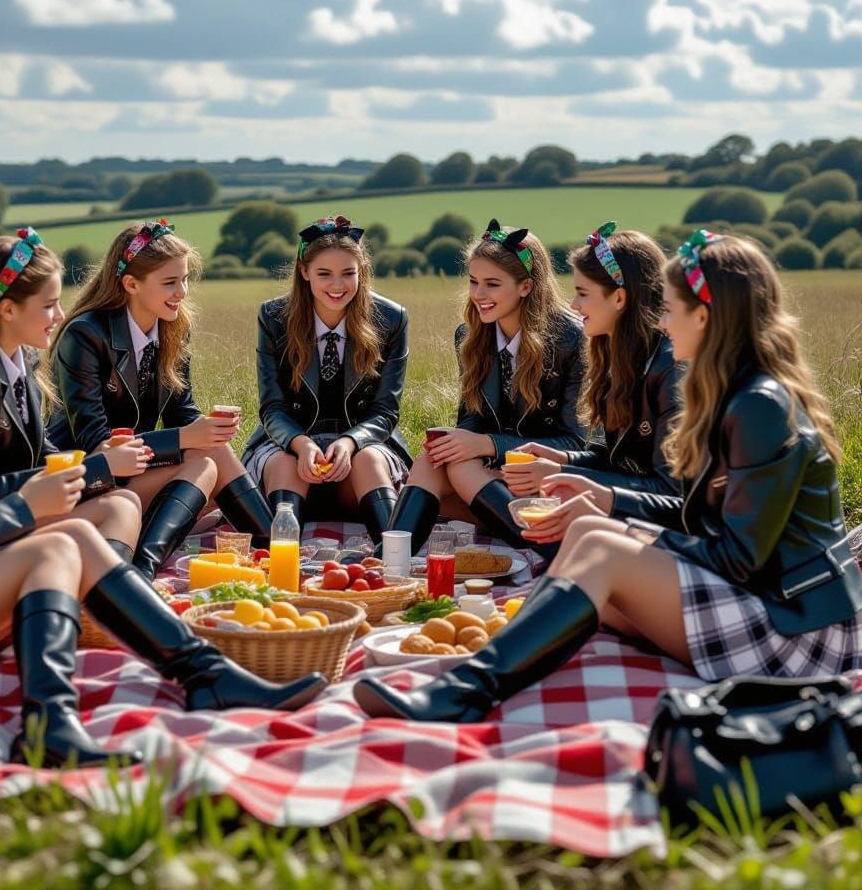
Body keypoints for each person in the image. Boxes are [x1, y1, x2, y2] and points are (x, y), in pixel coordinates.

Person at [0, 236, 326, 767]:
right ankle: (68, 720)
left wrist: (54, 490)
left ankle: (195, 677)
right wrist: (31, 504)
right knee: (60, 543)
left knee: (73, 535)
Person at [353, 231, 862, 721]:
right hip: (768, 602)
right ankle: (480, 661)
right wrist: (604, 501)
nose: (663, 323)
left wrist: (624, 526)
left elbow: (741, 557)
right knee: (592, 539)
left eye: (670, 310)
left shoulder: (759, 406)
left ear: (704, 317)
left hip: (797, 630)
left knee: (603, 549)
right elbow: (694, 510)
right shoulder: (736, 392)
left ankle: (464, 692)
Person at [48, 219, 274, 579]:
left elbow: (181, 410)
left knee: (209, 456)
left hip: (138, 468)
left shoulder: (172, 327)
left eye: (184, 279)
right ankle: (147, 570)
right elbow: (95, 442)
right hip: (91, 478)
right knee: (204, 461)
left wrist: (207, 429)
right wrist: (187, 438)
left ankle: (276, 549)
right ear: (131, 284)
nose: (182, 291)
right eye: (170, 282)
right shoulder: (85, 335)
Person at [386, 219, 586, 554]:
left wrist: (488, 445)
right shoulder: (470, 337)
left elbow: (575, 441)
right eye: (474, 281)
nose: (479, 295)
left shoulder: (571, 339)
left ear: (525, 286)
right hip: (493, 480)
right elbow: (472, 418)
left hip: (548, 479)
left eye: (492, 284)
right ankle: (387, 562)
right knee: (432, 460)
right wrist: (456, 441)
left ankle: (547, 550)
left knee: (461, 466)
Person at [0, 229, 152, 562]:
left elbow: (43, 452)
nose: (61, 316)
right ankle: (109, 599)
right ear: (7, 310)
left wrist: (94, 461)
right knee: (118, 508)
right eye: (50, 305)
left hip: (26, 506)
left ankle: (108, 597)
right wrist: (95, 467)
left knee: (125, 501)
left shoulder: (26, 361)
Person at [503, 222, 684, 551]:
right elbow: (614, 459)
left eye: (583, 293)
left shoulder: (671, 370)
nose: (573, 305)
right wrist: (561, 460)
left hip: (662, 535)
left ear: (619, 298)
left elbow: (670, 491)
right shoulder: (618, 358)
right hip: (627, 517)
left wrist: (567, 476)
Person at [242, 216, 410, 544]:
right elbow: (272, 406)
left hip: (363, 450)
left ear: (362, 272)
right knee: (285, 463)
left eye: (348, 273)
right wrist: (301, 444)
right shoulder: (274, 317)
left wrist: (349, 442)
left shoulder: (391, 319)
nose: (337, 285)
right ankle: (279, 561)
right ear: (304, 272)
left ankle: (394, 560)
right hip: (289, 446)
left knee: (370, 459)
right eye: (324, 274)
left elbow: (386, 411)